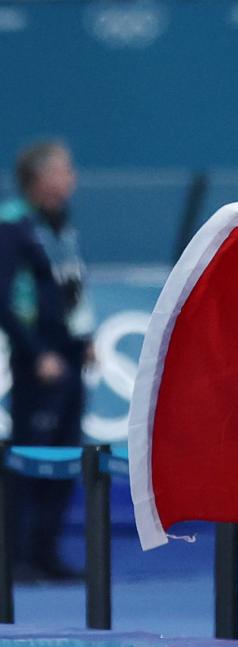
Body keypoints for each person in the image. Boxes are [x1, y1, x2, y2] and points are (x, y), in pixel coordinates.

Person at [0, 141, 94, 582]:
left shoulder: (63, 226)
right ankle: (14, 557)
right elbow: (4, 298)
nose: (72, 177)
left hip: (70, 355)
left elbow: (70, 286)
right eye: (64, 169)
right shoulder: (13, 226)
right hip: (37, 360)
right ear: (40, 178)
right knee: (27, 458)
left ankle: (45, 553)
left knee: (65, 455)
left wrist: (85, 338)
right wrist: (36, 352)